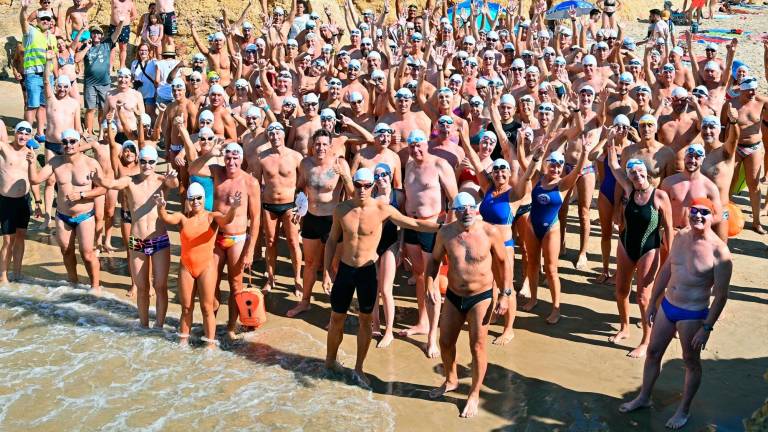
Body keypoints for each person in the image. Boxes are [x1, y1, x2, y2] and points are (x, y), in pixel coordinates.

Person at [620, 197, 732, 430]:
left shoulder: (720, 252)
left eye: (704, 212)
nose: (698, 216)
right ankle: (644, 397)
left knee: (690, 362)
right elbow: (667, 270)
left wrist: (706, 328)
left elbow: (720, 297)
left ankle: (684, 410)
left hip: (692, 313)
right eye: (694, 211)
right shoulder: (681, 237)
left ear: (713, 217)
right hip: (668, 306)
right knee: (652, 352)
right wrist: (653, 302)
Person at [324, 167, 440, 387]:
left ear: (372, 186)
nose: (362, 190)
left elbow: (413, 223)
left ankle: (359, 368)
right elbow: (332, 240)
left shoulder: (382, 209)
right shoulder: (342, 209)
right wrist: (327, 271)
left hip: (367, 271)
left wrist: (442, 227)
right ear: (354, 186)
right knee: (335, 319)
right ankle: (330, 362)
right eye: (358, 185)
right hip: (345, 271)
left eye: (367, 186)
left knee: (365, 322)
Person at [424, 191, 512, 418]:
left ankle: (474, 393)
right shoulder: (445, 233)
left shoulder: (490, 232)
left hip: (481, 297)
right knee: (445, 342)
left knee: (477, 346)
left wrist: (505, 293)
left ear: (476, 208)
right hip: (454, 295)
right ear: (454, 211)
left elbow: (504, 263)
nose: (466, 213)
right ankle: (451, 379)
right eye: (460, 209)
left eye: (470, 207)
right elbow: (434, 261)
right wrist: (430, 284)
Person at [92, 145, 178, 328]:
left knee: (160, 287)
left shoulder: (162, 180)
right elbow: (111, 184)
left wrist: (173, 179)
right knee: (142, 288)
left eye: (151, 162)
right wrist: (98, 178)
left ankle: (159, 327)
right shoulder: (130, 181)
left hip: (159, 240)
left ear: (156, 163)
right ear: (139, 161)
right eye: (144, 161)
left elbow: (174, 184)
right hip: (137, 241)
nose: (147, 165)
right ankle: (144, 327)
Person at [606, 148, 675, 358]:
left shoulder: (660, 195)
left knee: (644, 297)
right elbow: (613, 166)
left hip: (649, 248)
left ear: (646, 172)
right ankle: (624, 328)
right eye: (632, 172)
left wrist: (670, 258)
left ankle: (646, 340)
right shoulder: (629, 190)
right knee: (620, 290)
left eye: (640, 171)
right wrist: (610, 143)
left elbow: (669, 228)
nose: (637, 175)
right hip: (626, 245)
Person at [156, 183, 240, 347]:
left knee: (207, 308)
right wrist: (160, 207)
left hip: (206, 268)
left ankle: (210, 344)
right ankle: (183, 340)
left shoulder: (211, 216)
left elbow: (226, 220)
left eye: (198, 198)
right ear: (187, 200)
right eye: (192, 198)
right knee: (186, 307)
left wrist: (234, 207)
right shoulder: (183, 218)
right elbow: (166, 218)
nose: (195, 202)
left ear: (204, 198)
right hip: (186, 267)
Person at [399, 129, 458, 358]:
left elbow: (454, 199)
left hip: (433, 227)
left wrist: (448, 232)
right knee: (419, 275)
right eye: (411, 146)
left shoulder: (440, 164)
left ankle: (433, 336)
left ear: (426, 143)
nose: (415, 149)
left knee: (433, 282)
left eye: (419, 144)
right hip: (412, 226)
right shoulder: (410, 165)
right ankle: (422, 322)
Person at [27, 129, 104, 291]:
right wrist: (32, 162)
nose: (69, 145)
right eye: (65, 142)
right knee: (66, 251)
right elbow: (35, 180)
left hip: (85, 215)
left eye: (72, 141)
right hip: (63, 216)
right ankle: (73, 283)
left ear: (79, 143)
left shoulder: (91, 163)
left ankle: (95, 287)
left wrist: (82, 194)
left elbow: (102, 189)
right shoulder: (56, 162)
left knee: (87, 254)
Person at [521, 138, 587, 325]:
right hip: (533, 225)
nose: (556, 169)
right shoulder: (538, 179)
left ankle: (556, 308)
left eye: (559, 166)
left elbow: (578, 170)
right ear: (547, 165)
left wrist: (584, 152)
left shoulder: (564, 184)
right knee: (532, 264)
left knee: (551, 269)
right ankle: (533, 299)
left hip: (551, 228)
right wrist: (533, 155)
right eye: (553, 165)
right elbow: (526, 169)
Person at [287, 129, 353, 317]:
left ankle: (337, 309)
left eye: (324, 144)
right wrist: (298, 207)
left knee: (334, 266)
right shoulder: (306, 164)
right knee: (309, 263)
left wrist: (345, 176)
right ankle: (305, 302)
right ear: (312, 146)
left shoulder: (340, 163)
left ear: (330, 146)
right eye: (317, 144)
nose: (321, 147)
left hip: (333, 220)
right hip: (311, 218)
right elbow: (300, 188)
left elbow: (352, 193)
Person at [210, 143, 261, 339]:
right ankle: (211, 324)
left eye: (235, 158)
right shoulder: (216, 172)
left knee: (235, 285)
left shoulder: (250, 182)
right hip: (216, 237)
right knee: (211, 282)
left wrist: (250, 250)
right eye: (228, 158)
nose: (231, 162)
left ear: (241, 159)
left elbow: (256, 219)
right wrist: (211, 153)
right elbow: (192, 168)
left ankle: (231, 327)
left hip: (237, 238)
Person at [251, 122, 303, 293]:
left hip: (290, 206)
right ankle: (271, 278)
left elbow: (305, 183)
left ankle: (297, 279)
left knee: (293, 242)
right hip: (269, 206)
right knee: (270, 242)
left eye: (277, 133)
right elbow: (256, 184)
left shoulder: (295, 156)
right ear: (268, 137)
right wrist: (256, 208)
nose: (274, 137)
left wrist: (302, 206)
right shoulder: (262, 157)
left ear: (283, 134)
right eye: (271, 134)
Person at [0, 122, 38, 283]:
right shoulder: (4, 148)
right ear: (14, 133)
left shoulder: (30, 154)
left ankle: (17, 273)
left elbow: (34, 179)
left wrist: (38, 201)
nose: (22, 136)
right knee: (8, 240)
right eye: (20, 133)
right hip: (6, 201)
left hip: (24, 201)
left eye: (26, 134)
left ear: (30, 137)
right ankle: (3, 276)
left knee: (21, 236)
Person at [77, 20, 127, 134]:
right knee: (90, 109)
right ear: (91, 35)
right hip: (90, 83)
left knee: (103, 109)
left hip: (104, 83)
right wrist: (86, 48)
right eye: (94, 33)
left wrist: (121, 22)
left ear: (101, 35)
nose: (96, 35)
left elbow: (117, 33)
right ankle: (89, 132)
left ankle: (101, 131)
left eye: (98, 33)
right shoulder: (86, 46)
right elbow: (76, 59)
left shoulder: (106, 44)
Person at [660, 144, 722, 231]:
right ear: (684, 158)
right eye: (690, 156)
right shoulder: (669, 182)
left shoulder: (710, 187)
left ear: (702, 161)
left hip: (694, 233)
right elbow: (659, 209)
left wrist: (698, 226)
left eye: (697, 157)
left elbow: (718, 216)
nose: (692, 160)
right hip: (671, 231)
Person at [19, 0, 57, 139]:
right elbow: (23, 22)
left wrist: (55, 75)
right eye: (43, 19)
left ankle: (40, 133)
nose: (46, 21)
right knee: (32, 106)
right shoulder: (31, 32)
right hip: (33, 75)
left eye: (48, 19)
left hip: (48, 77)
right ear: (38, 19)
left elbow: (54, 59)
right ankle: (26, 136)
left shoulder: (52, 37)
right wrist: (24, 9)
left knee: (43, 106)